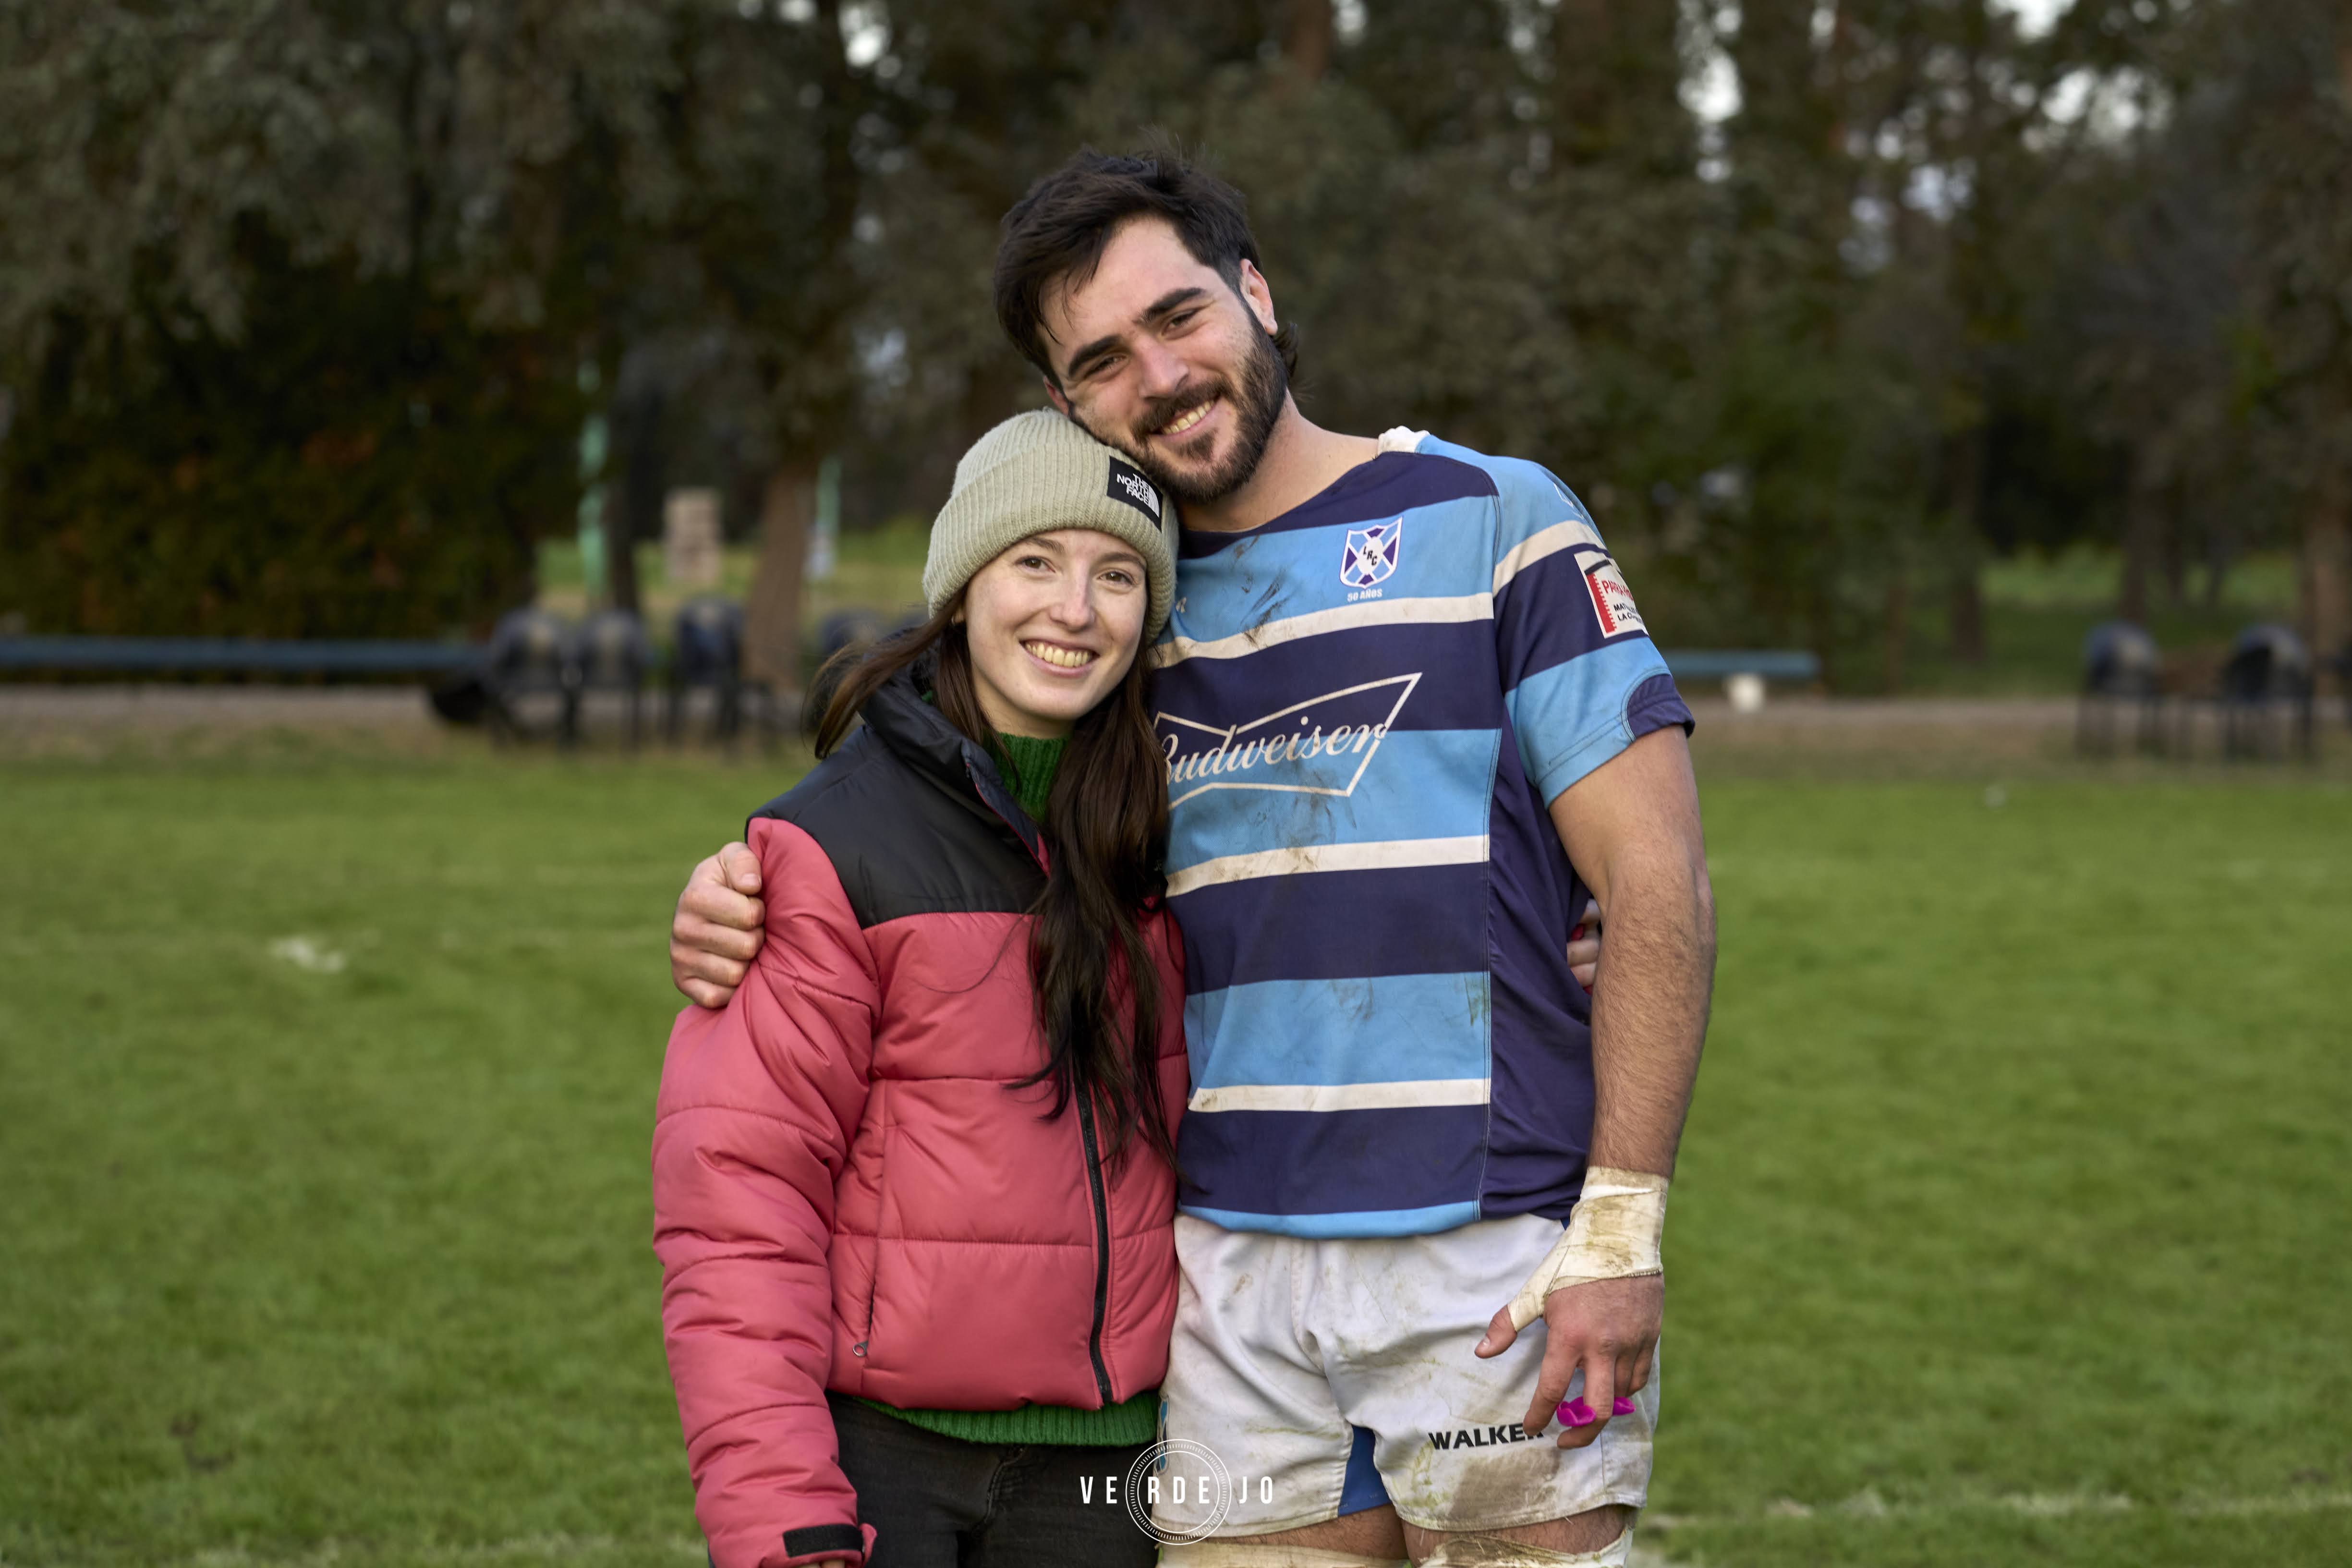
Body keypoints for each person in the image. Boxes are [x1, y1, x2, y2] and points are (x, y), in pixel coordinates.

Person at [672, 150, 1714, 1568]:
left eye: (1178, 318)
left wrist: (1621, 1226)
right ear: (1065, 404)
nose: (1158, 376)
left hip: (1490, 1260)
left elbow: (1655, 884)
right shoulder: (1114, 612)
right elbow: (970, 813)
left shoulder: (1497, 518)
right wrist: (748, 883)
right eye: (1102, 360)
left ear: (1257, 295)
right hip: (1224, 1284)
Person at [652, 411, 1189, 1568]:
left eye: (1115, 574)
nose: (1073, 609)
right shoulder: (825, 850)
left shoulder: (1190, 836)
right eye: (1033, 561)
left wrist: (1565, 938)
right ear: (961, 585)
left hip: (1114, 1473)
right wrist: (786, 1523)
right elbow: (737, 1209)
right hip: (884, 1458)